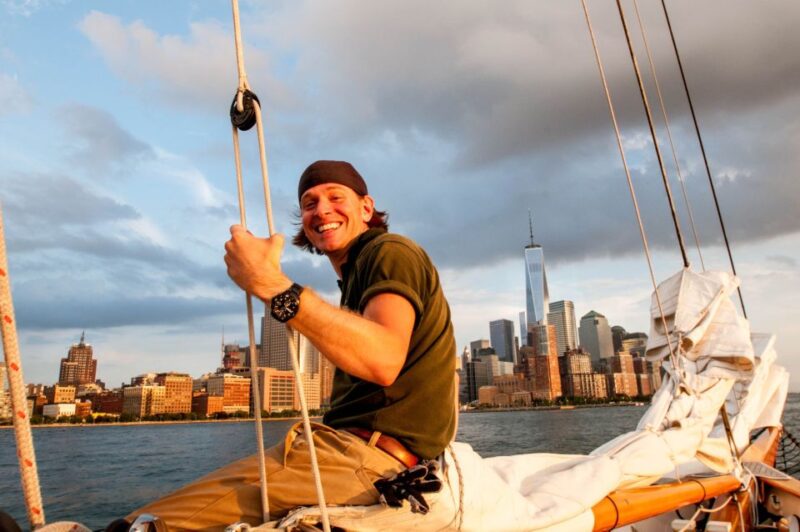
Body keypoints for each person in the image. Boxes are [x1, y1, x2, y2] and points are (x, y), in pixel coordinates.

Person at [128, 160, 457, 530]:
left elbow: (382, 360)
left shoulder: (389, 251)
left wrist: (269, 283)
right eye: (309, 203)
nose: (322, 210)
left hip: (365, 459)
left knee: (144, 524)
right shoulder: (357, 277)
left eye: (336, 197)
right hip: (348, 453)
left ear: (366, 208)